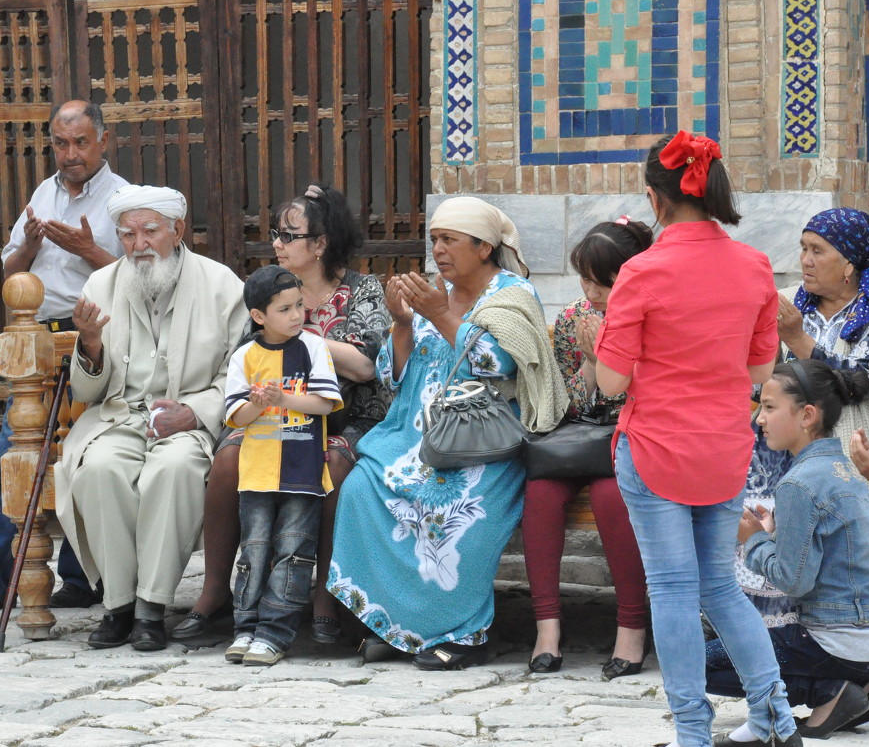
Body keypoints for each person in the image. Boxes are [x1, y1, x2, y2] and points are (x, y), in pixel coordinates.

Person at [593, 131, 800, 747]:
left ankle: (692, 731)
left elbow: (610, 380)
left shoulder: (641, 271)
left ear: (655, 201)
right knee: (718, 584)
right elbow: (761, 374)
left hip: (656, 446)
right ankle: (775, 715)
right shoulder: (754, 265)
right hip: (726, 446)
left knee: (675, 590)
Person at [327, 197, 564, 671]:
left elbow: (501, 363)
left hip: (482, 444)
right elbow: (391, 378)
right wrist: (401, 323)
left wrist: (438, 315)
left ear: (483, 247)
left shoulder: (512, 295)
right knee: (360, 489)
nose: (438, 249)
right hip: (412, 437)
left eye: (450, 240)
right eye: (434, 239)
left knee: (460, 511)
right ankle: (395, 627)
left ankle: (463, 633)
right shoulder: (432, 292)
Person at [0, 100, 126, 616]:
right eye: (61, 143)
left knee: (85, 460)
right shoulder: (44, 192)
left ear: (103, 141)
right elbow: (10, 265)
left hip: (93, 340)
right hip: (35, 338)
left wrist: (88, 250)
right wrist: (33, 243)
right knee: (10, 463)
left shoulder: (124, 200)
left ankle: (83, 581)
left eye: (81, 142)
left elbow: (136, 278)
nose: (70, 154)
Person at [173, 184, 391, 644]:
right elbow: (247, 359)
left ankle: (324, 598)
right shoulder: (268, 287)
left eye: (289, 235)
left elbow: (368, 364)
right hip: (270, 417)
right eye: (275, 234)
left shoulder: (362, 289)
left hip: (342, 416)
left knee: (332, 463)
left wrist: (301, 338)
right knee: (229, 460)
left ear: (320, 244)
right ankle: (215, 593)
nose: (277, 243)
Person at [54, 184, 246, 652]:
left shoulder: (223, 286)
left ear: (177, 231)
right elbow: (87, 392)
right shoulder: (101, 287)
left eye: (150, 232)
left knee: (175, 468)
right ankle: (118, 605)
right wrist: (91, 347)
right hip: (118, 418)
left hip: (189, 421)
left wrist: (196, 412)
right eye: (127, 235)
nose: (138, 245)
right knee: (98, 469)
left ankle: (150, 607)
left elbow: (238, 372)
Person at [705, 360, 869, 738]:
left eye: (770, 408)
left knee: (699, 661)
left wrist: (753, 539)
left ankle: (829, 692)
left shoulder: (798, 484)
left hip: (837, 642)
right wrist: (774, 534)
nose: (759, 419)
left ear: (807, 415)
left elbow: (793, 581)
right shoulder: (845, 469)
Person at [740, 208, 869, 627]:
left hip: (852, 447)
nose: (805, 259)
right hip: (779, 447)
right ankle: (769, 629)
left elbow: (859, 381)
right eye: (803, 248)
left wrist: (795, 338)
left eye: (817, 250)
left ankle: (836, 634)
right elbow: (758, 385)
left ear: (849, 264)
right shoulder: (790, 301)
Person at [522, 216, 651, 677]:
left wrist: (606, 359)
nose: (592, 292)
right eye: (585, 280)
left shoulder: (651, 315)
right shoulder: (576, 317)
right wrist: (591, 366)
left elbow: (645, 393)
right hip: (580, 437)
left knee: (610, 497)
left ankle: (632, 630)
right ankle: (547, 629)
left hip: (635, 437)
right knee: (540, 492)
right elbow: (564, 400)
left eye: (604, 282)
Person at [222, 266, 343, 666]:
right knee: (253, 550)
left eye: (298, 305)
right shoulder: (244, 356)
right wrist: (257, 403)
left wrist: (284, 399)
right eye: (284, 309)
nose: (296, 315)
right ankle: (245, 628)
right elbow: (235, 418)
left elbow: (325, 404)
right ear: (259, 316)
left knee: (293, 551)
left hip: (302, 473)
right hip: (256, 474)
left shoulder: (313, 348)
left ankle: (275, 633)